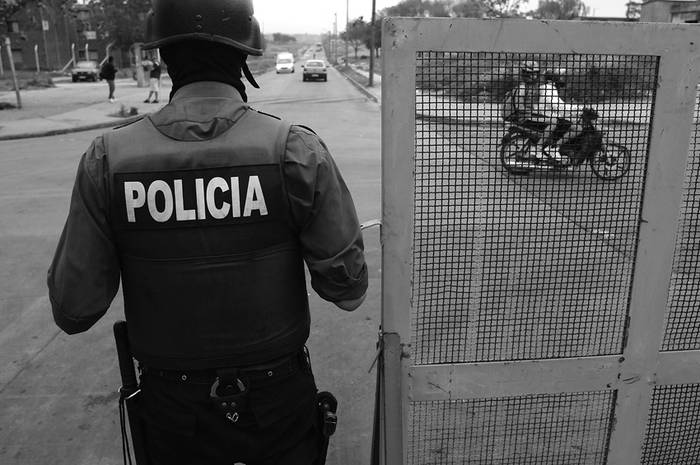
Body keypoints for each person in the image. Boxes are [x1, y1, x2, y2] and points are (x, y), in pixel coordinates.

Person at [46, 0, 368, 464]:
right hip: (278, 407)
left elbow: (73, 309)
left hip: (171, 414)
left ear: (162, 56)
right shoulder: (294, 150)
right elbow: (349, 290)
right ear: (245, 55)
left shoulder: (108, 159)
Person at [506, 60, 583, 164]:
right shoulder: (542, 89)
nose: (533, 77)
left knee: (561, 122)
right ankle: (545, 149)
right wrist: (579, 108)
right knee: (559, 123)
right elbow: (558, 106)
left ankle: (552, 149)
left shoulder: (536, 87)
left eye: (535, 74)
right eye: (530, 74)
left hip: (534, 116)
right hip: (528, 117)